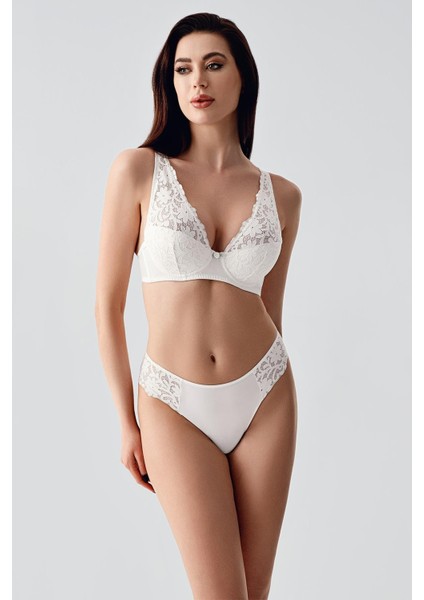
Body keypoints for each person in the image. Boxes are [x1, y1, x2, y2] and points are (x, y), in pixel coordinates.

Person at [95, 11, 302, 600]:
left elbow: (272, 310)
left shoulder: (283, 196)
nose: (198, 81)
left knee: (253, 593)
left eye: (213, 65)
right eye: (183, 69)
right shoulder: (138, 170)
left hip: (266, 395)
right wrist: (126, 421)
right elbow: (106, 306)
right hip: (171, 402)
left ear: (243, 78)